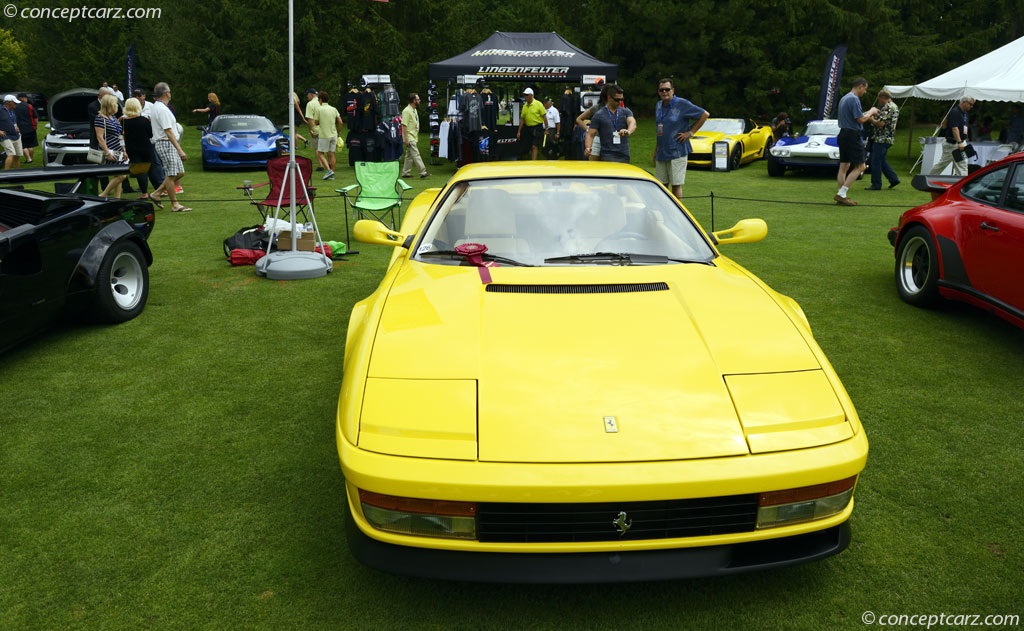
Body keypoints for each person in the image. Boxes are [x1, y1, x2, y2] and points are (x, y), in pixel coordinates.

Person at [653, 78, 708, 198]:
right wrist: (656, 149)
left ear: (673, 90)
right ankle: (665, 211)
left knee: (676, 184)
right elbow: (659, 129)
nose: (664, 92)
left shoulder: (682, 104)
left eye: (667, 89)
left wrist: (690, 133)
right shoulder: (658, 105)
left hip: (677, 151)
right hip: (662, 152)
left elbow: (704, 114)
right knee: (662, 185)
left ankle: (677, 214)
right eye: (661, 90)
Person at [834, 77, 879, 206]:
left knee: (844, 166)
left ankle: (841, 195)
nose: (865, 92)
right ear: (860, 86)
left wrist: (868, 115)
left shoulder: (844, 98)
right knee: (861, 166)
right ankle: (841, 194)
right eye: (865, 89)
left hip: (843, 134)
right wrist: (872, 111)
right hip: (852, 135)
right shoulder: (854, 99)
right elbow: (860, 119)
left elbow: (856, 116)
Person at [149, 82, 190, 212]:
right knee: (171, 174)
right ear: (167, 93)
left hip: (167, 143)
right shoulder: (161, 109)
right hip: (166, 143)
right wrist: (179, 149)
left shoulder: (159, 107)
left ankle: (157, 193)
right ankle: (175, 204)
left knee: (179, 173)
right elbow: (168, 131)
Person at [585, 83, 637, 164]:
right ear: (609, 98)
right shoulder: (599, 115)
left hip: (624, 156)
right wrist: (588, 148)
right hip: (607, 156)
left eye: (621, 99)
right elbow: (590, 134)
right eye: (617, 100)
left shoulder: (625, 111)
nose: (619, 102)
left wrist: (628, 131)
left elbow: (632, 122)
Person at [930, 95, 974, 176]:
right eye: (970, 104)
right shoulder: (955, 112)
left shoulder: (964, 113)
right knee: (946, 164)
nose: (971, 106)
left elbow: (963, 127)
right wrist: (960, 142)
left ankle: (962, 184)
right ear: (964, 102)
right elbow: (954, 128)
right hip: (954, 143)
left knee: (961, 165)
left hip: (959, 142)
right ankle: (929, 177)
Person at [865, 89, 900, 190]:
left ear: (883, 98)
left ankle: (876, 184)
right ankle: (893, 179)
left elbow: (881, 124)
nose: (879, 101)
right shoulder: (893, 106)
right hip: (887, 138)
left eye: (879, 99)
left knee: (875, 161)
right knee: (881, 160)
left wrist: (870, 119)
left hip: (882, 138)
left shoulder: (888, 107)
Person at [94, 94, 128, 198]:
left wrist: (124, 150)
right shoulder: (100, 118)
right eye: (115, 104)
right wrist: (107, 152)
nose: (117, 106)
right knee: (122, 175)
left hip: (118, 150)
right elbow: (100, 137)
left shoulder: (113, 117)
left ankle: (117, 198)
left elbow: (119, 135)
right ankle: (104, 194)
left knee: (118, 175)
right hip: (110, 150)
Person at [122, 97, 154, 199]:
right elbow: (150, 135)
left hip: (132, 148)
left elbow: (123, 136)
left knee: (140, 171)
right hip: (145, 147)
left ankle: (144, 192)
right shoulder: (144, 120)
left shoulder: (123, 122)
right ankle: (158, 189)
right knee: (150, 169)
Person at [576, 84, 611, 161]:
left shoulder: (616, 109)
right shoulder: (597, 107)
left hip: (610, 140)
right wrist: (588, 130)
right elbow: (579, 119)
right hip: (597, 139)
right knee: (593, 163)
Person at [315, 91, 342, 180]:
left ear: (321, 100)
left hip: (324, 135)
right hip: (333, 134)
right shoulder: (333, 109)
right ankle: (332, 174)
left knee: (320, 153)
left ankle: (329, 171)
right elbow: (340, 122)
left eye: (319, 99)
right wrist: (338, 133)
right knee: (331, 154)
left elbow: (316, 122)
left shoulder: (319, 109)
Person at [401, 93, 429, 178]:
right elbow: (404, 125)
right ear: (414, 101)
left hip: (413, 135)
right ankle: (423, 172)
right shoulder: (406, 111)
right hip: (409, 136)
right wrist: (406, 138)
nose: (419, 101)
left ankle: (406, 172)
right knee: (416, 154)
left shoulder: (414, 110)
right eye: (418, 99)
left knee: (409, 155)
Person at [517, 88, 547, 160]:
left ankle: (533, 162)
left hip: (537, 127)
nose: (525, 97)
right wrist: (519, 131)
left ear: (531, 95)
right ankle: (531, 159)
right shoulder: (525, 106)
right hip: (528, 128)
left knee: (534, 146)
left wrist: (546, 128)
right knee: (529, 146)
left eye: (527, 95)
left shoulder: (538, 104)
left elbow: (544, 117)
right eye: (524, 95)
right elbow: (522, 119)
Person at [305, 88, 328, 171]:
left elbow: (310, 119)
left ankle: (321, 165)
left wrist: (310, 130)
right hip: (325, 128)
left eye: (307, 95)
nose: (307, 97)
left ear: (311, 94)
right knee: (324, 147)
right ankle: (327, 164)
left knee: (317, 148)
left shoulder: (310, 104)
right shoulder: (322, 102)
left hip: (316, 128)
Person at [15, 94, 38, 164]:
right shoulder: (29, 106)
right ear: (23, 98)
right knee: (30, 145)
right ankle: (30, 159)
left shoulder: (15, 107)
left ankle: (28, 159)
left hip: (20, 128)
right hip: (31, 127)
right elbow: (35, 117)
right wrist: (35, 125)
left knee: (23, 145)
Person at [1, 94, 22, 169]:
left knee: (17, 155)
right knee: (11, 154)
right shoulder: (0, 110)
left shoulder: (12, 111)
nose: (16, 104)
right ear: (9, 102)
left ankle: (17, 174)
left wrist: (16, 127)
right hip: (5, 136)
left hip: (16, 135)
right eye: (14, 102)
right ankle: (6, 175)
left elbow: (13, 121)